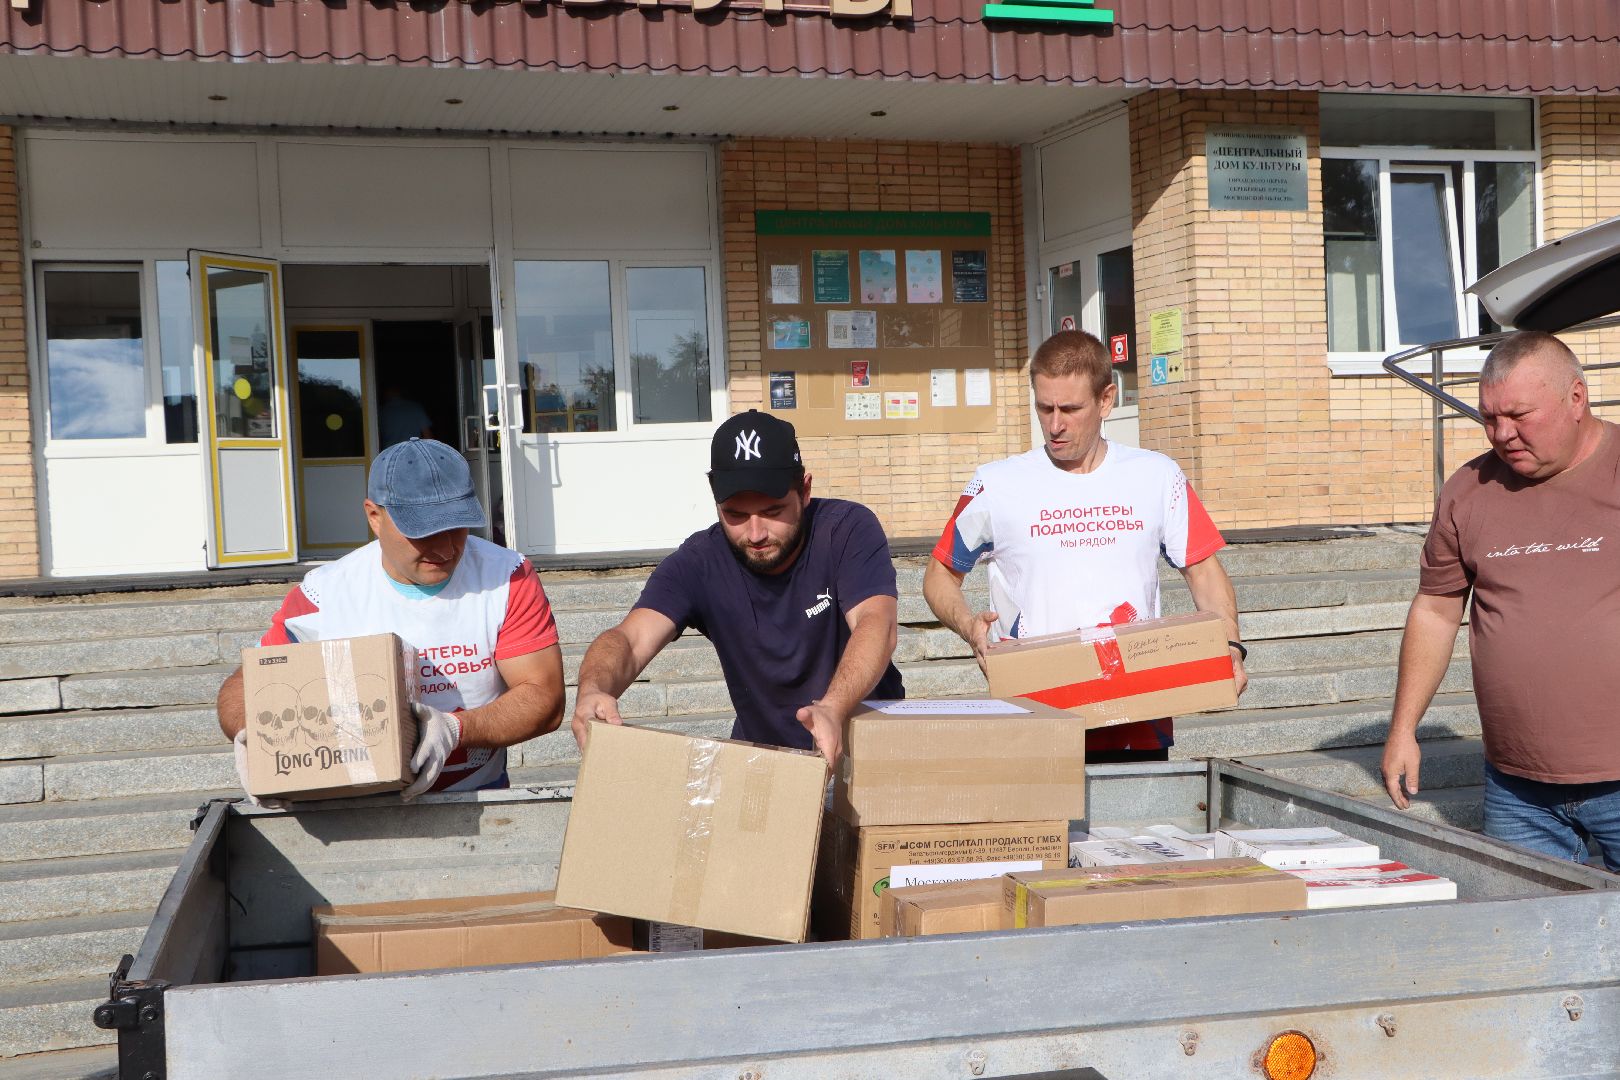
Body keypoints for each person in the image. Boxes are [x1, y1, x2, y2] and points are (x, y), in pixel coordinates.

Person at [923, 330, 1247, 761]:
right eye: (1044, 407)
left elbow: (1204, 571)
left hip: (1136, 718)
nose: (1055, 425)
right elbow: (939, 574)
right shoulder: (995, 485)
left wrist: (1230, 647)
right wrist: (970, 627)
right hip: (1035, 718)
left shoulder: (1156, 476)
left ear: (1106, 400)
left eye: (1070, 409)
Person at [1381, 330, 1620, 870]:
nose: (1503, 433)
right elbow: (1436, 609)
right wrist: (1403, 729)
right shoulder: (1469, 489)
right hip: (1517, 786)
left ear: (1576, 398)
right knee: (1523, 917)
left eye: (1519, 415)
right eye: (1489, 417)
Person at [218, 438, 565, 800]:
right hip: (355, 807)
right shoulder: (325, 593)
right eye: (423, 532)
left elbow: (544, 697)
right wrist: (254, 733)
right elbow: (245, 685)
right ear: (374, 516)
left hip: (474, 796)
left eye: (458, 527)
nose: (446, 548)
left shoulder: (505, 576)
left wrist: (455, 730)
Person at [571, 410, 903, 764]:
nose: (755, 533)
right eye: (736, 515)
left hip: (871, 749)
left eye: (773, 511)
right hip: (766, 760)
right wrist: (593, 689)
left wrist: (833, 707)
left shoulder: (846, 530)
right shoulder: (698, 562)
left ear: (805, 491)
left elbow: (876, 623)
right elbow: (630, 639)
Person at [378, 382, 434, 449]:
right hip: (413, 451)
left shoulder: (381, 412)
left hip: (390, 452)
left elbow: (375, 438)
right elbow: (428, 436)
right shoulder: (415, 408)